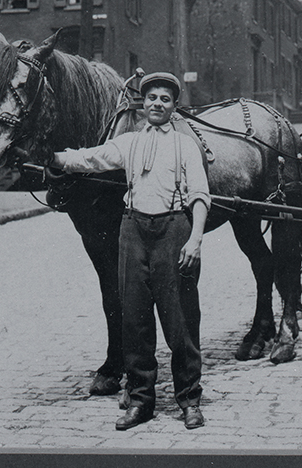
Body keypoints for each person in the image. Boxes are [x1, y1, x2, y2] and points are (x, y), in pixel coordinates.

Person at [52, 72, 209, 431]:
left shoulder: (186, 146)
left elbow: (200, 195)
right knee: (134, 320)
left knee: (180, 321)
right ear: (142, 103)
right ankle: (141, 401)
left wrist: (195, 238)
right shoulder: (128, 143)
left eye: (165, 99)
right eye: (151, 97)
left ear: (174, 106)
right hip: (133, 231)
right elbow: (89, 159)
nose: (157, 103)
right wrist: (53, 157)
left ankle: (189, 399)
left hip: (173, 230)